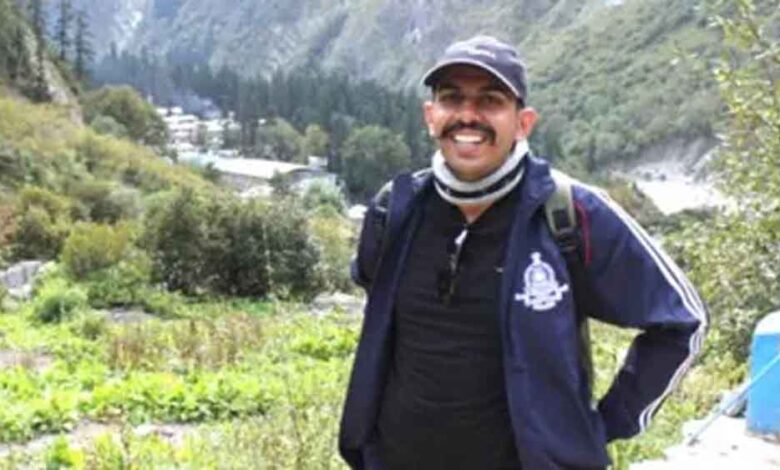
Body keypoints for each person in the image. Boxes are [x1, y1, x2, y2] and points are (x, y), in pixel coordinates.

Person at [339, 35, 708, 470]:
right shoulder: (395, 208)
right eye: (452, 98)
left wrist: (600, 427)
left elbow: (681, 322)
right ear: (430, 115)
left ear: (523, 122)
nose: (468, 115)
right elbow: (376, 298)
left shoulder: (572, 213)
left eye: (490, 100)